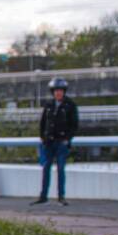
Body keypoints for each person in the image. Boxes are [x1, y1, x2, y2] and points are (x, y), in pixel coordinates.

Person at [31, 77, 79, 206]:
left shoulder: (70, 105)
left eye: (61, 91)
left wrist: (67, 139)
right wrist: (43, 137)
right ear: (53, 92)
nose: (58, 93)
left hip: (61, 142)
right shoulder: (49, 105)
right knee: (46, 168)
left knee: (61, 169)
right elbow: (43, 122)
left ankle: (61, 196)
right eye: (56, 91)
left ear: (64, 92)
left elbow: (74, 125)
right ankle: (43, 196)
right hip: (49, 142)